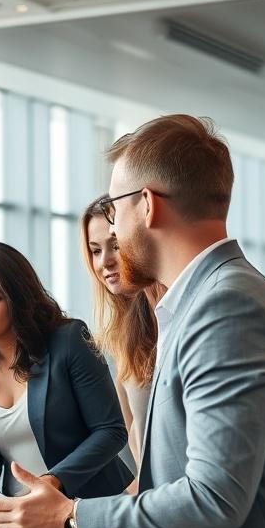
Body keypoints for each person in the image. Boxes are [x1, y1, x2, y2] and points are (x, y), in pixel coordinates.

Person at [0, 114, 265, 528]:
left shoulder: (226, 307)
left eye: (113, 209)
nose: (113, 230)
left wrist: (69, 518)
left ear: (146, 205)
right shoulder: (202, 300)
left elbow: (215, 495)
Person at [0, 242, 133, 528]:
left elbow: (111, 431)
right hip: (22, 523)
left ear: (17, 297)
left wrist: (53, 481)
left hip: (85, 511)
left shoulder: (70, 341)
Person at [80, 197, 165, 478]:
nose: (105, 261)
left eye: (115, 245)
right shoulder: (117, 337)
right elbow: (133, 435)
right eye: (95, 250)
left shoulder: (169, 318)